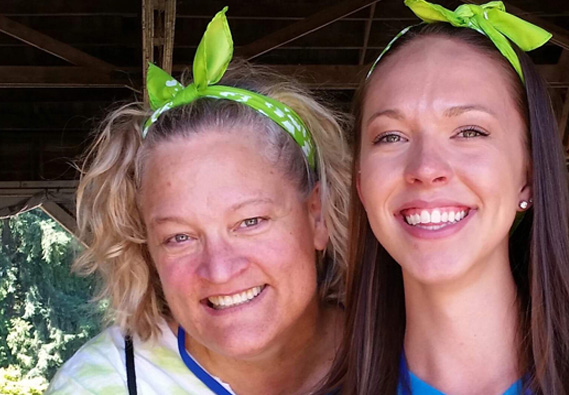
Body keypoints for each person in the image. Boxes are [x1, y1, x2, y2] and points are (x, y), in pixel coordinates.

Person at [325, 1, 569, 394]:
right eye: (390, 136)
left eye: (470, 131)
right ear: (362, 185)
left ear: (530, 175)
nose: (426, 167)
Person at [47, 8, 350, 395]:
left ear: (317, 216)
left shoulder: (410, 350)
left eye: (250, 221)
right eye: (179, 237)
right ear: (148, 251)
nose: (220, 271)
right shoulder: (103, 384)